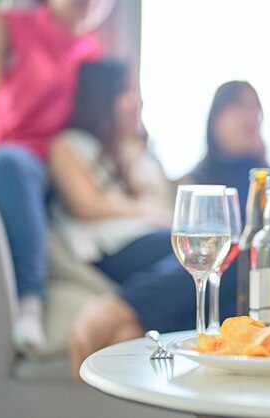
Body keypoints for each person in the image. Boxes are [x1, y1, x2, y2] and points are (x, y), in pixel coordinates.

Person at [47, 60, 193, 377]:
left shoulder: (139, 152)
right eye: (127, 91)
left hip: (155, 242)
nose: (137, 102)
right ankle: (117, 306)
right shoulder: (70, 144)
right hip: (113, 247)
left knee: (222, 268)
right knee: (205, 257)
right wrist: (154, 214)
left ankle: (133, 324)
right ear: (101, 97)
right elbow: (86, 205)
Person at [0, 0, 114, 353]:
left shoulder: (95, 53)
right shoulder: (10, 27)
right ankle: (31, 300)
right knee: (10, 165)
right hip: (12, 158)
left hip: (62, 164)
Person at [184, 80, 270, 322]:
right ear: (215, 119)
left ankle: (122, 306)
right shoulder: (196, 181)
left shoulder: (269, 182)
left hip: (250, 292)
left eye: (254, 107)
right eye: (238, 106)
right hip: (199, 295)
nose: (249, 116)